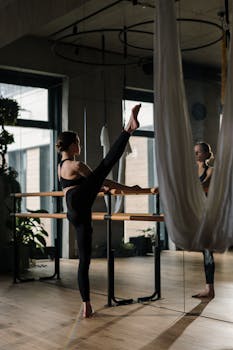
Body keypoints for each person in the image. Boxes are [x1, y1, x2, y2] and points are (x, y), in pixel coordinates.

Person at [56, 104, 141, 318]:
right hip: (80, 202)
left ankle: (86, 305)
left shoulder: (61, 166)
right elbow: (101, 176)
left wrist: (98, 187)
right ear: (73, 145)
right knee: (106, 164)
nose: (81, 145)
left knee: (84, 260)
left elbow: (96, 183)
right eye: (79, 142)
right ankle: (128, 129)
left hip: (75, 210)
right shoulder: (77, 165)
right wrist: (129, 189)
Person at [192, 142, 215, 299]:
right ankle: (209, 288)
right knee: (205, 252)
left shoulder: (211, 170)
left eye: (198, 152)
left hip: (210, 215)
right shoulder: (191, 172)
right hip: (198, 214)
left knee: (207, 252)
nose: (196, 155)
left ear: (207, 154)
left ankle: (210, 289)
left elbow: (203, 185)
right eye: (194, 152)